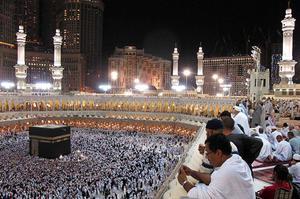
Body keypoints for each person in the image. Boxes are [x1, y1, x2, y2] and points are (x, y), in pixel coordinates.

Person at [177, 134, 255, 199]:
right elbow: (213, 179)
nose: (206, 157)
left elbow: (204, 197)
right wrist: (191, 172)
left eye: (207, 153)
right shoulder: (236, 160)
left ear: (218, 153)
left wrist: (184, 182)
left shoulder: (227, 172)